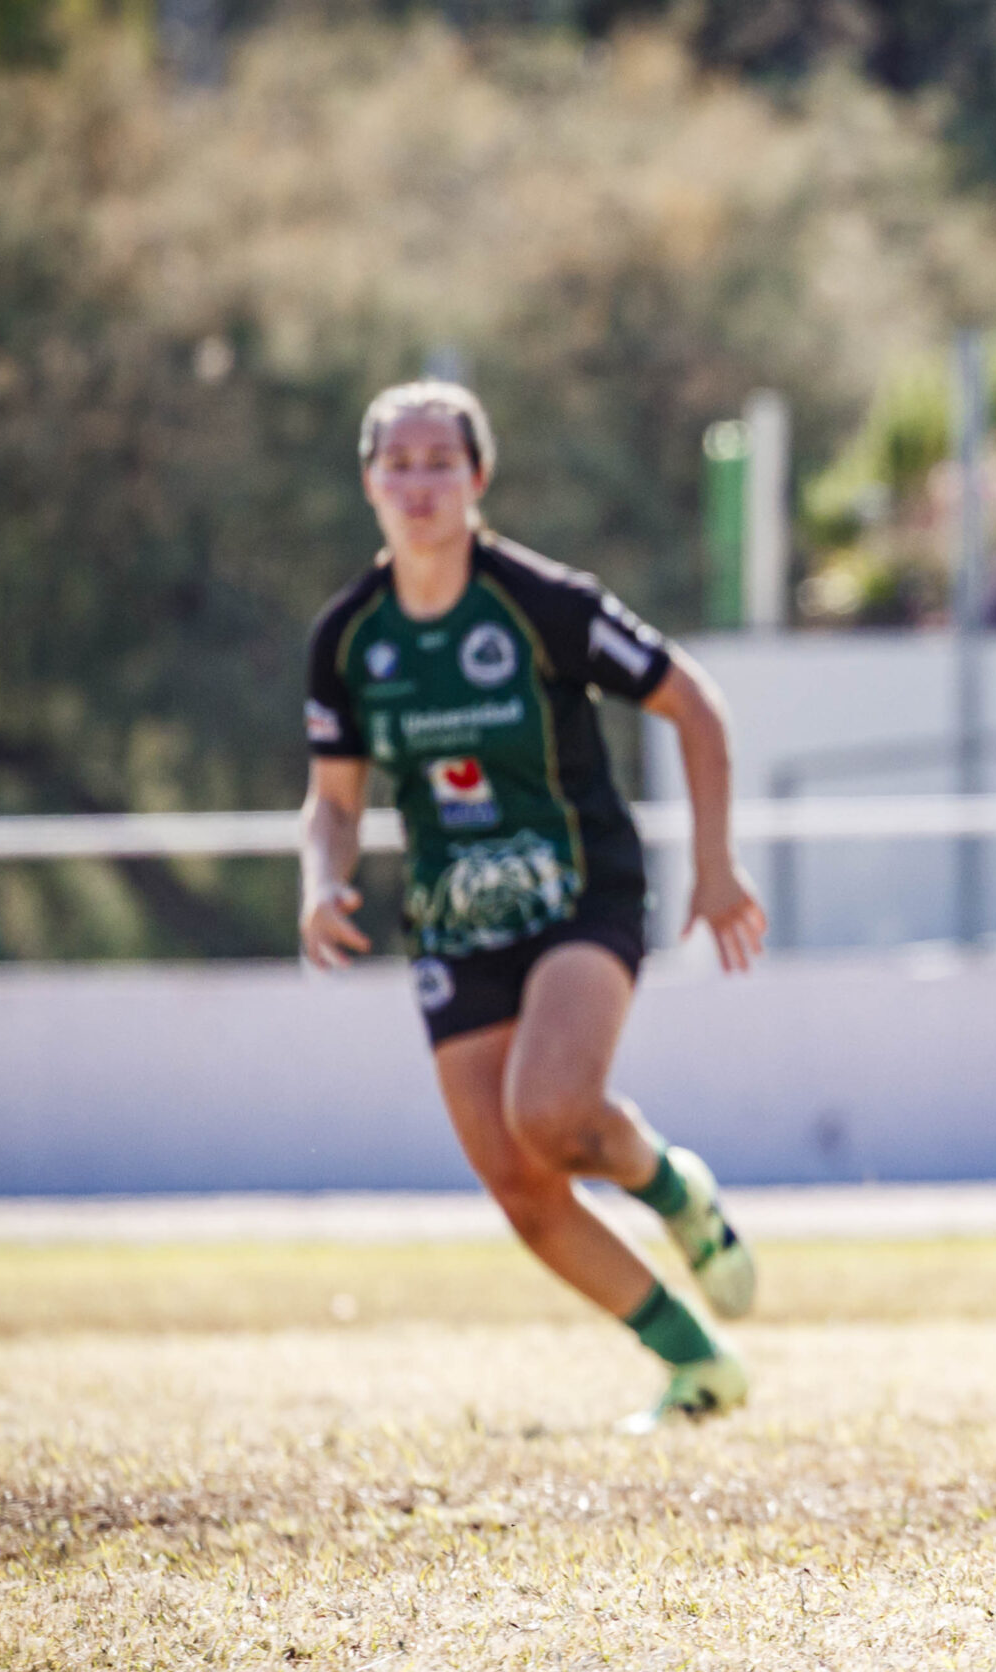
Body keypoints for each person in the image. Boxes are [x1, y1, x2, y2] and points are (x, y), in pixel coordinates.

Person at [299, 380, 770, 1434]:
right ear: (370, 482)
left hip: (578, 897)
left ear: (478, 477)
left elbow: (691, 702)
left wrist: (715, 863)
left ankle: (672, 1190)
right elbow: (332, 802)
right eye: (398, 464)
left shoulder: (543, 602)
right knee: (519, 1182)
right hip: (453, 923)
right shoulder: (347, 637)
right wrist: (319, 883)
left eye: (439, 462)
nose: (419, 484)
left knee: (550, 1113)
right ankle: (698, 1367)